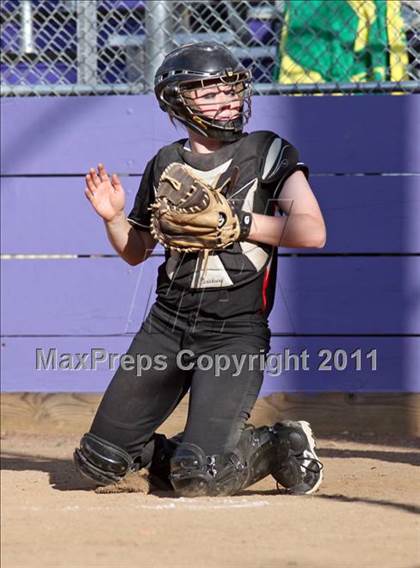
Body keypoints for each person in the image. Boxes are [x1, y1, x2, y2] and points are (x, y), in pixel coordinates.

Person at [74, 42, 327, 497]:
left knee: (202, 479)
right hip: (167, 326)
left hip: (234, 330)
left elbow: (312, 231)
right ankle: (194, 454)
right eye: (209, 93)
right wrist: (113, 218)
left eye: (231, 89)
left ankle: (276, 443)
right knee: (101, 461)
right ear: (177, 100)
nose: (227, 100)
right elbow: (136, 251)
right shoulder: (167, 163)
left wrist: (240, 223)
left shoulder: (267, 150)